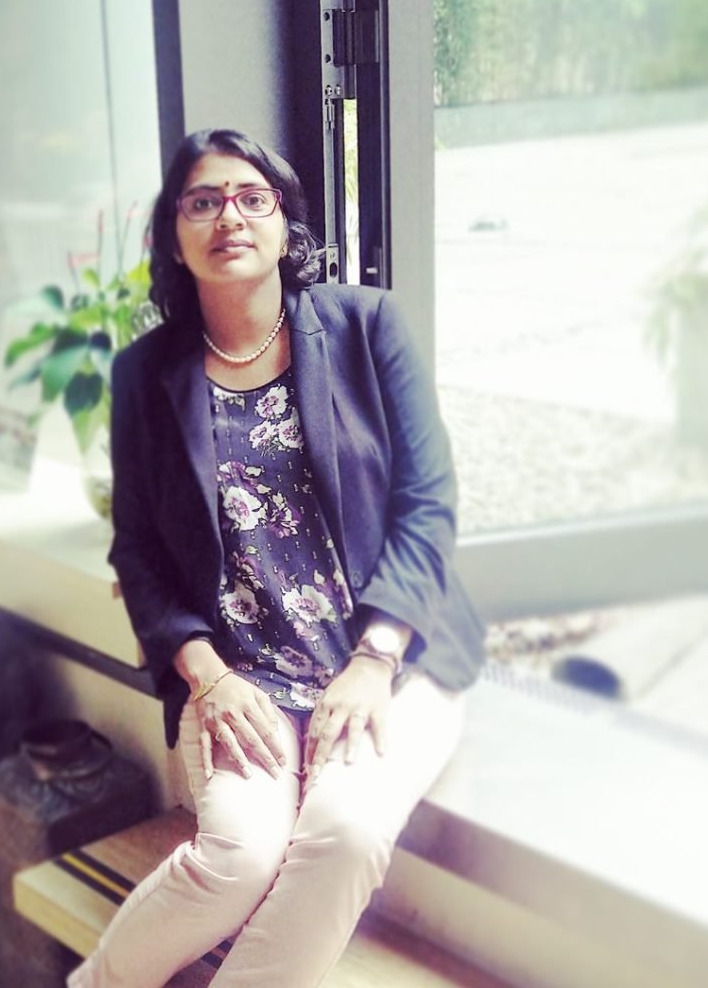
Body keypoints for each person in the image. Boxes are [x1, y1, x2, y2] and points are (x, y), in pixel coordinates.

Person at [68, 129, 485, 988]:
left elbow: (428, 501)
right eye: (203, 201)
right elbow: (136, 548)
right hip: (242, 679)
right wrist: (207, 676)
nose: (230, 216)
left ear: (285, 223)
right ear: (174, 235)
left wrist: (374, 659)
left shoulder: (366, 327)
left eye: (252, 198)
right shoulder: (145, 376)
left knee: (346, 833)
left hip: (390, 662)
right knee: (238, 858)